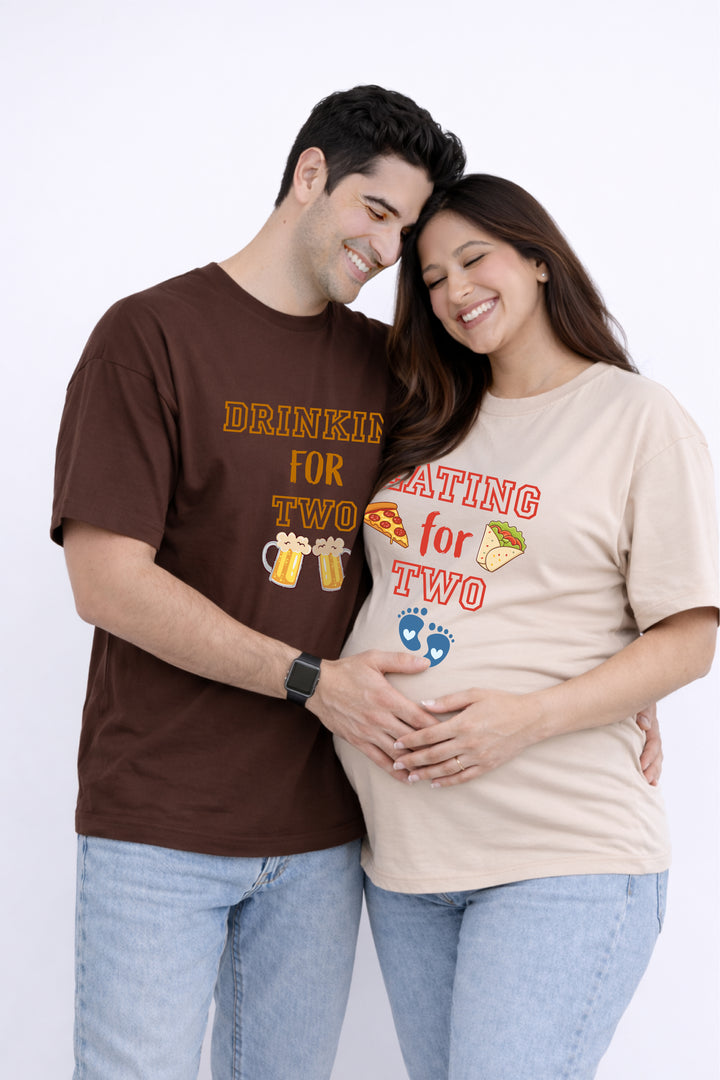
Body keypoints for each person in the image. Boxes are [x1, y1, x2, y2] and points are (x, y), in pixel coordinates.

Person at [50, 85, 467, 1080]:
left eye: (408, 233)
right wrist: (310, 680)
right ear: (311, 174)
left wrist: (609, 669)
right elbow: (107, 581)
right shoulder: (147, 337)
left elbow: (486, 522)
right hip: (160, 826)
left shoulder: (387, 367)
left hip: (324, 839)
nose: (388, 248)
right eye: (377, 209)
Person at [334, 174, 718, 1079]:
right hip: (408, 865)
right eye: (431, 279)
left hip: (560, 852)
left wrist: (535, 714)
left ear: (538, 261)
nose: (456, 291)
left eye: (476, 259)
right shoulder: (425, 418)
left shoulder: (634, 418)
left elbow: (692, 634)